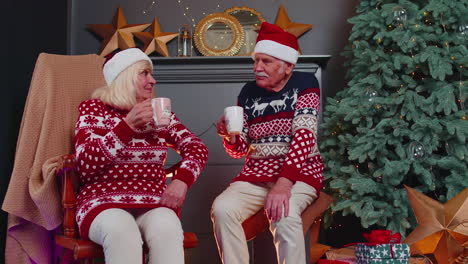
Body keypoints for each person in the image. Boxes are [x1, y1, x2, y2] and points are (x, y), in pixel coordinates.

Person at [74, 48, 208, 264]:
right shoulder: (94, 110)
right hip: (102, 202)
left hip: (153, 201)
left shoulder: (160, 113)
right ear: (125, 76)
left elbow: (196, 147)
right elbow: (86, 164)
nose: (152, 80)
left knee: (168, 228)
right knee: (122, 231)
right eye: (144, 73)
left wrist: (181, 182)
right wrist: (127, 127)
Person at [211, 22, 324, 264]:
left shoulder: (305, 84)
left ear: (287, 66)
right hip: (256, 175)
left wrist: (283, 185)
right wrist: (230, 136)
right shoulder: (248, 92)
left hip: (300, 173)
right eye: (256, 61)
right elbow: (239, 150)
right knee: (222, 208)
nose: (257, 68)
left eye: (266, 61)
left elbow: (304, 136)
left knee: (285, 214)